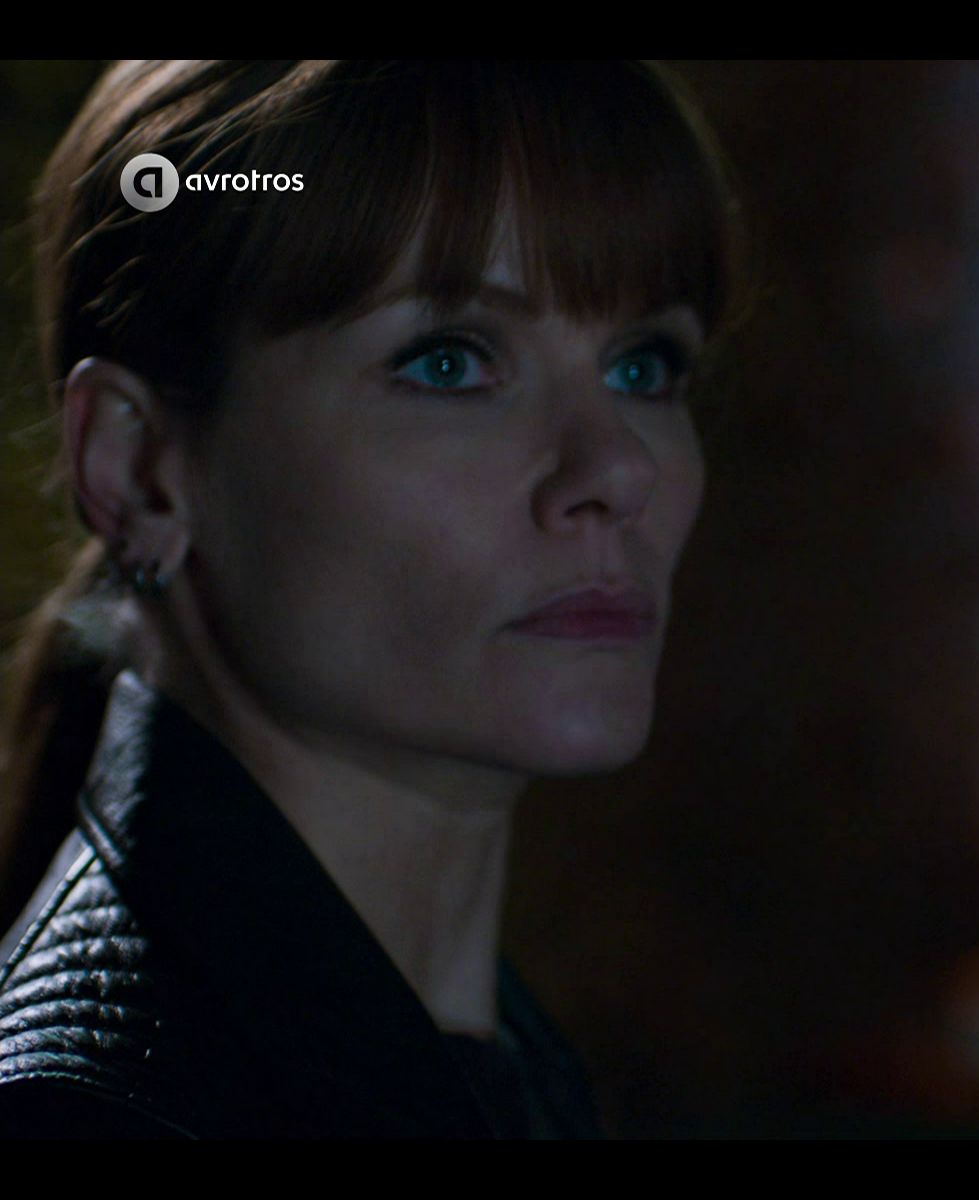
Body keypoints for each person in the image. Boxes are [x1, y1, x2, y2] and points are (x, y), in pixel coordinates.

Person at [0, 60, 745, 1137]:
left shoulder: (508, 1075)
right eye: (449, 362)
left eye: (644, 366)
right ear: (139, 470)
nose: (618, 469)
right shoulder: (102, 1111)